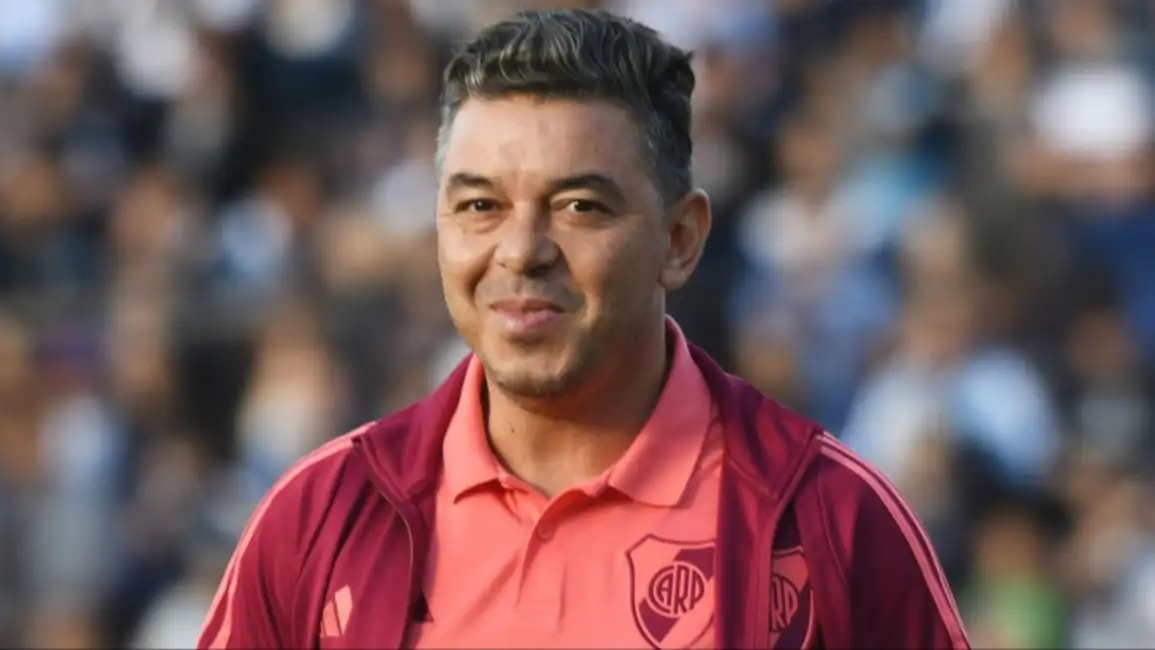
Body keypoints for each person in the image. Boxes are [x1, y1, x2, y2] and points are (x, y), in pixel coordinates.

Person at [198, 9, 970, 649]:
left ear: (679, 240)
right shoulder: (321, 518)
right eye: (479, 206)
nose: (521, 251)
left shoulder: (829, 521)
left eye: (579, 207)